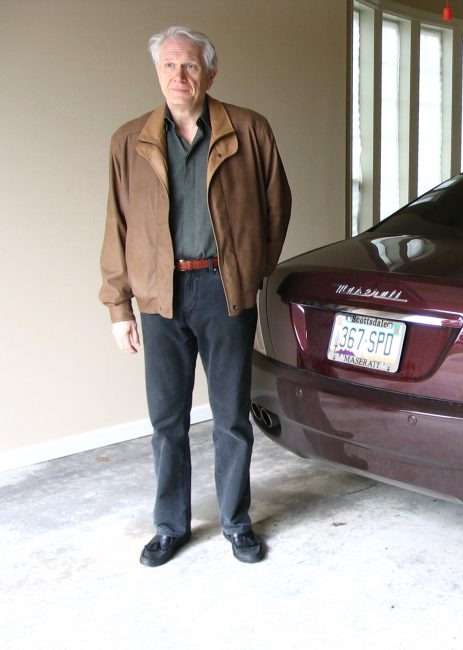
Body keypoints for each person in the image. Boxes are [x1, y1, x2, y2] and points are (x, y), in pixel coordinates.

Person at [99, 26, 291, 566]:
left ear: (210, 72)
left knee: (231, 416)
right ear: (157, 72)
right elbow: (116, 225)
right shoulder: (128, 141)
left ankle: (236, 521)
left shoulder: (248, 129)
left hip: (224, 289)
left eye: (189, 66)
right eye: (168, 66)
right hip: (160, 296)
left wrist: (253, 268)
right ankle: (170, 525)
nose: (178, 76)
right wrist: (119, 306)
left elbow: (278, 206)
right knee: (167, 421)